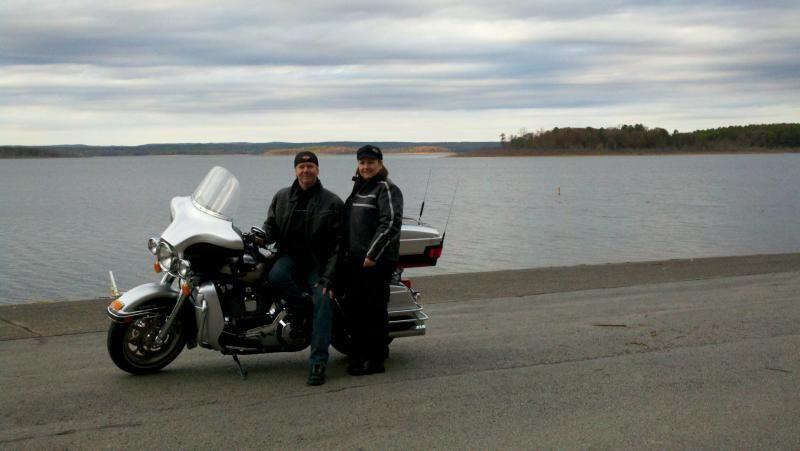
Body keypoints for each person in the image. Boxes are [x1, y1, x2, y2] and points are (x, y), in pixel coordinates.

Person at [263, 151, 343, 386]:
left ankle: (318, 362)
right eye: (301, 166)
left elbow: (339, 245)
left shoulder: (332, 202)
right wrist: (260, 237)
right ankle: (303, 308)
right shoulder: (282, 197)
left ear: (317, 169)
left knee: (323, 300)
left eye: (310, 166)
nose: (306, 170)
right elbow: (271, 227)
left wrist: (329, 277)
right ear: (295, 170)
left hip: (318, 263)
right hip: (289, 258)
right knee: (275, 277)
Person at [340, 145, 403, 376]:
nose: (366, 166)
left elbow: (390, 224)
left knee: (373, 310)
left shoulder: (386, 188)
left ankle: (375, 361)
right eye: (362, 162)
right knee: (355, 308)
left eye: (371, 162)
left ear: (380, 164)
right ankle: (360, 354)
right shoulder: (361, 186)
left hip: (376, 261)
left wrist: (371, 255)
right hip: (356, 258)